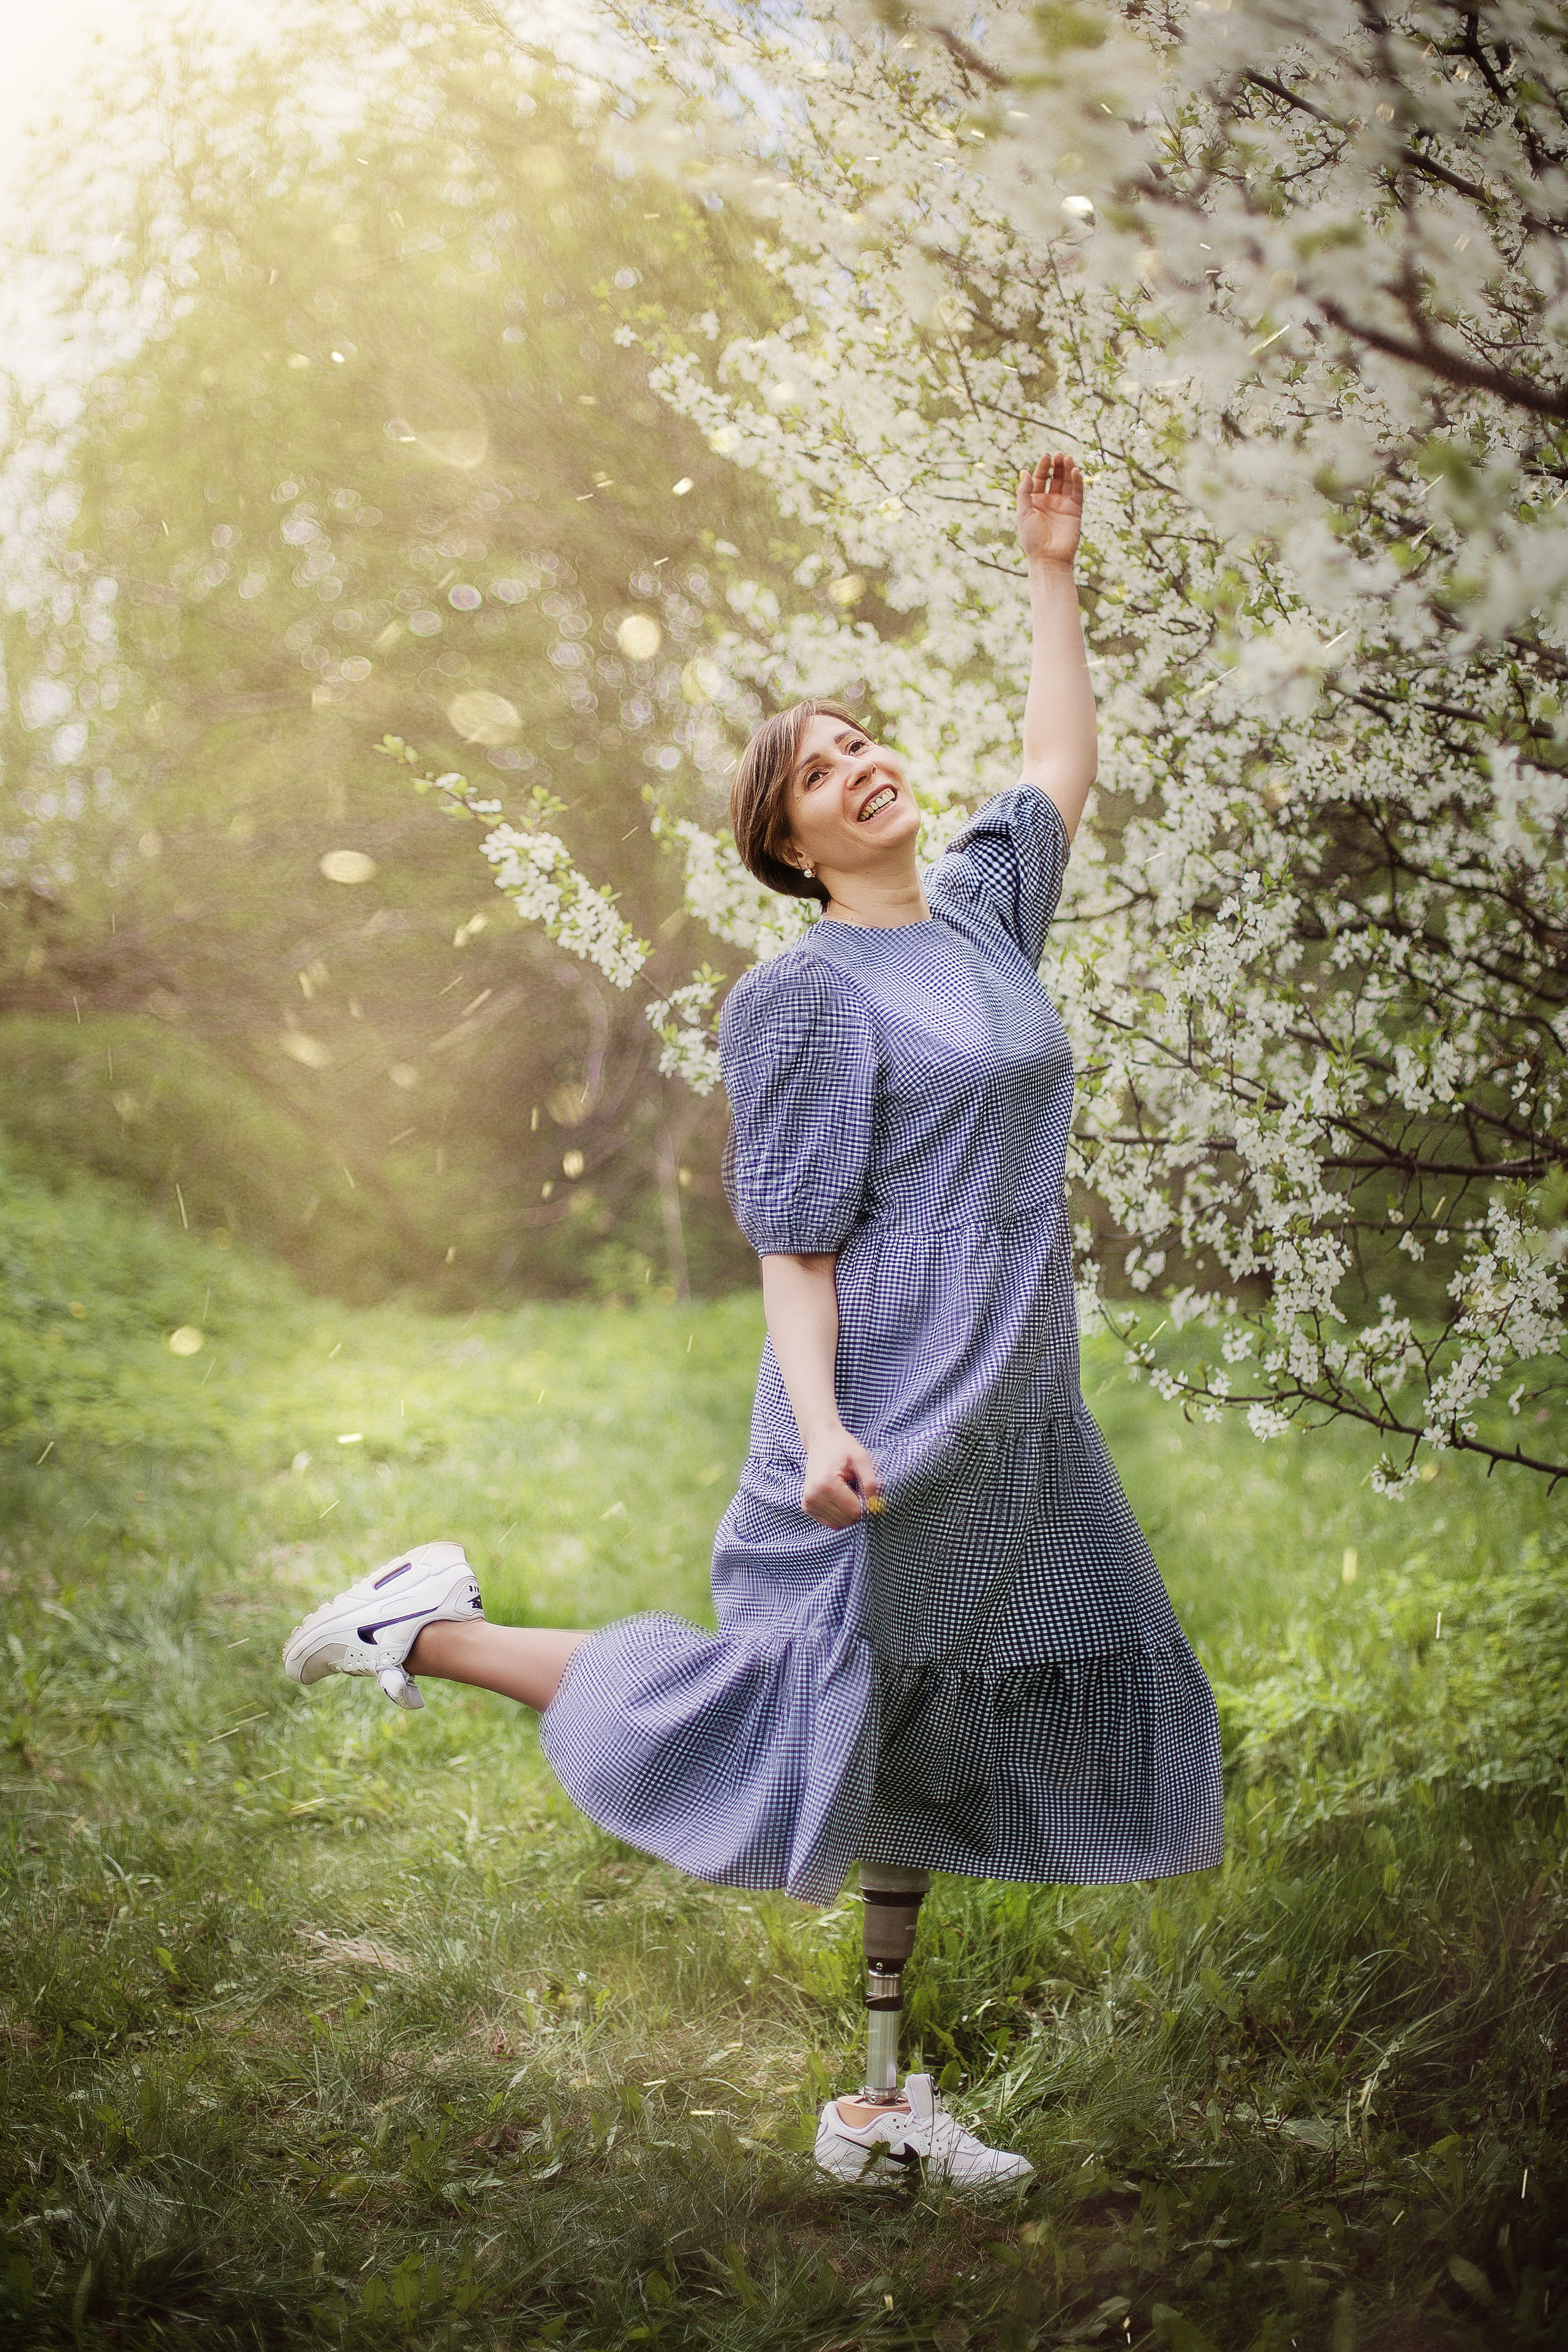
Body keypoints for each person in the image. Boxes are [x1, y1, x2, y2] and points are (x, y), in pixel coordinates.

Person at [281, 453, 1223, 2190]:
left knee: (921, 1713)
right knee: (786, 1709)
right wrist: (826, 1426)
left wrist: (1052, 577)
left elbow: (1059, 764)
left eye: (859, 737)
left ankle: (879, 2108)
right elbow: (793, 1246)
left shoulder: (989, 913)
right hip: (879, 1404)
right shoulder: (801, 996)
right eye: (814, 769)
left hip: (1015, 1404)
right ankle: (422, 1636)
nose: (857, 759)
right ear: (788, 845)